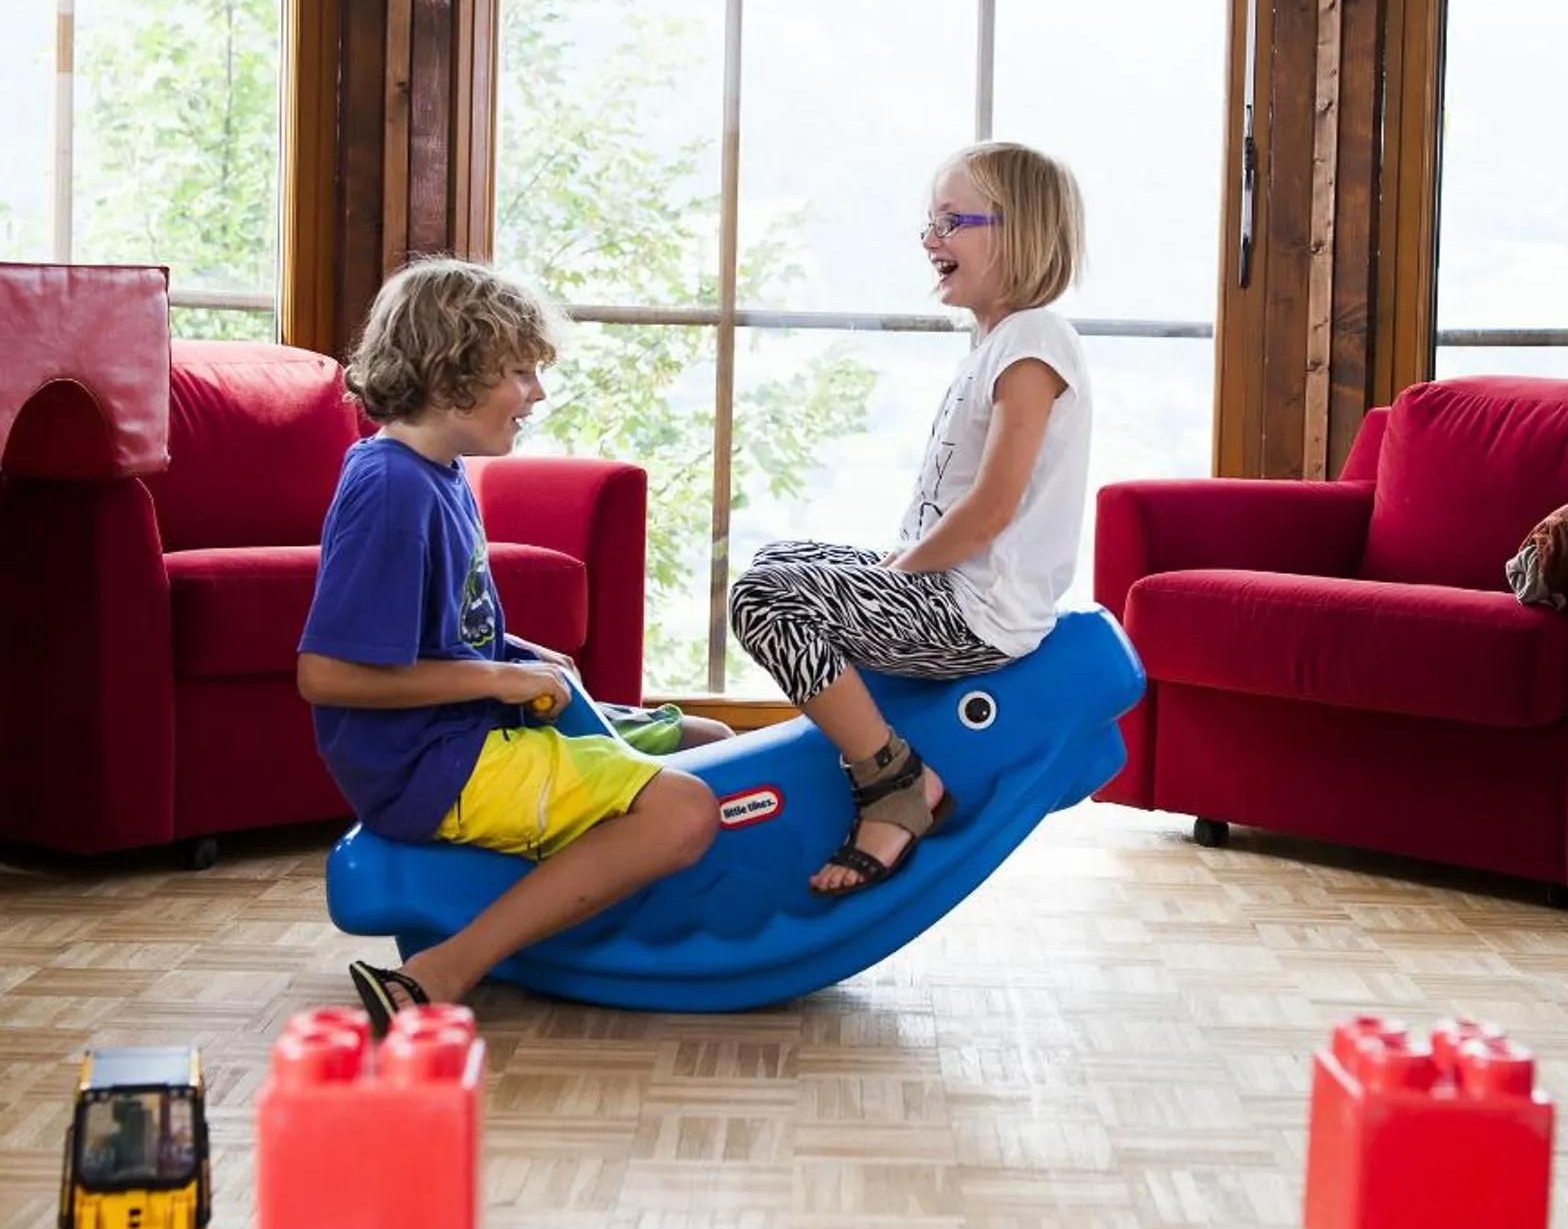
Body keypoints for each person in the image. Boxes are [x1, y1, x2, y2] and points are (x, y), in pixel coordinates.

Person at [298, 259, 720, 1033]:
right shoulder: (390, 491)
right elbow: (326, 673)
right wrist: (497, 678)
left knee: (707, 739)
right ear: (450, 371)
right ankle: (443, 970)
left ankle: (630, 910)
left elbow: (438, 633)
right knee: (685, 809)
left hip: (468, 733)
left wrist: (520, 653)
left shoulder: (440, 473)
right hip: (431, 765)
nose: (538, 393)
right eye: (520, 371)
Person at [729, 141, 1090, 898]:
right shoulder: (997, 339)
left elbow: (992, 508)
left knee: (761, 598)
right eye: (930, 223)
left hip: (973, 610)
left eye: (952, 221)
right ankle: (873, 737)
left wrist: (899, 572)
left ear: (1018, 230)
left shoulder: (1034, 340)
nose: (932, 240)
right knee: (778, 561)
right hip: (950, 590)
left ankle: (891, 780)